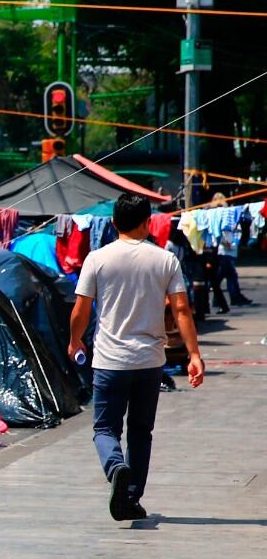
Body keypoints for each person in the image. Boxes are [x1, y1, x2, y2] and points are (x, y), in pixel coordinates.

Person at [69, 194, 204, 522]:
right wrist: (194, 354)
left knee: (105, 429)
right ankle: (130, 497)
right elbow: (182, 309)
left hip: (110, 361)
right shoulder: (165, 260)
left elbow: (81, 310)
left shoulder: (97, 259)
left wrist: (75, 342)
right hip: (149, 362)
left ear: (113, 223)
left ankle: (116, 468)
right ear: (148, 223)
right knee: (141, 431)